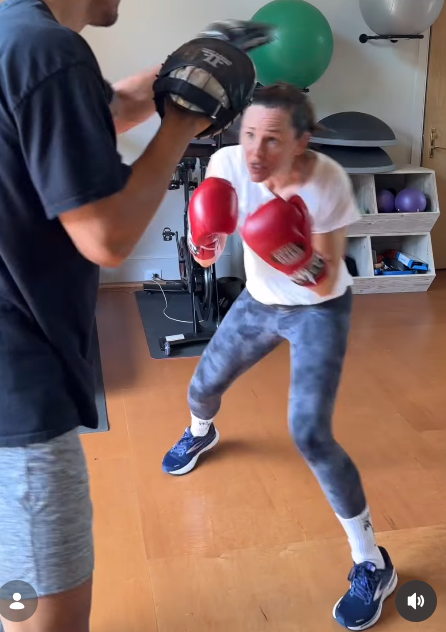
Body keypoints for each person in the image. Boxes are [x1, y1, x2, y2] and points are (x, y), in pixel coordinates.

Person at [0, 0, 212, 632]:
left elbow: (90, 117)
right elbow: (106, 235)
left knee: (18, 573)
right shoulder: (51, 54)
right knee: (47, 614)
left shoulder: (5, 40)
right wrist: (183, 126)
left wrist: (175, 75)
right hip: (17, 376)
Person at [162, 83, 398, 630]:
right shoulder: (226, 162)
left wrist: (290, 252)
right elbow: (210, 246)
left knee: (310, 432)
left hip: (319, 308)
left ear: (301, 142)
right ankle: (202, 431)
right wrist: (205, 242)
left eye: (272, 140)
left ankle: (372, 562)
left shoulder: (329, 183)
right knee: (201, 387)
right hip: (258, 301)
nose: (255, 152)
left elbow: (325, 278)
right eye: (248, 135)